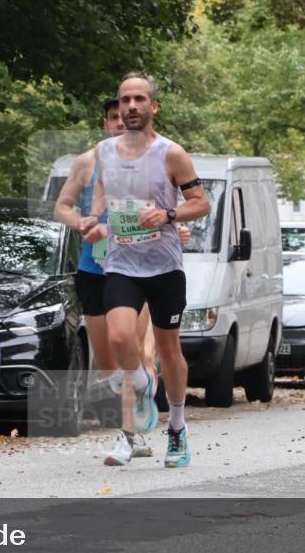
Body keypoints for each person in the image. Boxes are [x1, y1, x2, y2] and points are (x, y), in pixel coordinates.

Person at [81, 71, 210, 468]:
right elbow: (101, 191)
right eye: (125, 100)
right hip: (121, 263)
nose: (131, 106)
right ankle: (140, 382)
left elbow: (201, 203)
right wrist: (96, 218)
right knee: (120, 337)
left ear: (153, 106)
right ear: (118, 108)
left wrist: (169, 214)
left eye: (139, 99)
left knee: (170, 350)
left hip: (164, 265)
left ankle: (177, 428)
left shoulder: (173, 153)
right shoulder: (105, 151)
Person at [54, 98, 189, 458]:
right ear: (106, 123)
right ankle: (137, 418)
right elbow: (62, 207)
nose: (119, 123)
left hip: (139, 269)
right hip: (94, 268)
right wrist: (82, 223)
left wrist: (177, 226)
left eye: (124, 117)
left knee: (140, 349)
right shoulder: (89, 161)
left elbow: (165, 207)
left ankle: (128, 436)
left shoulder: (153, 160)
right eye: (114, 118)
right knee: (108, 361)